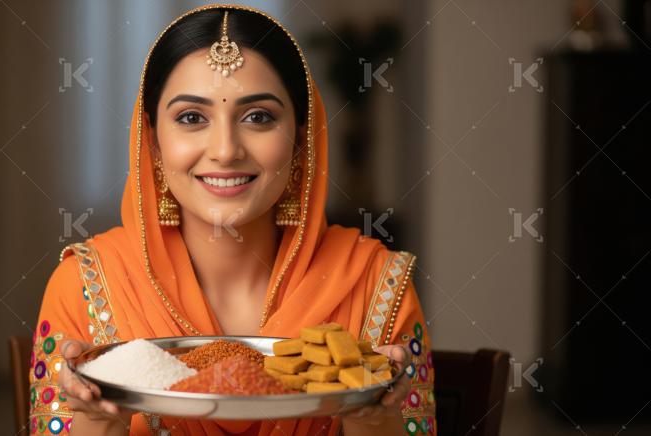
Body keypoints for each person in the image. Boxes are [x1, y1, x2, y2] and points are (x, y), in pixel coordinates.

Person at [28, 4, 435, 435]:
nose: (225, 150)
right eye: (191, 118)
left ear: (301, 139)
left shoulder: (374, 285)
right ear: (153, 141)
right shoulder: (88, 286)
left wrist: (377, 418)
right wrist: (94, 418)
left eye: (258, 117)